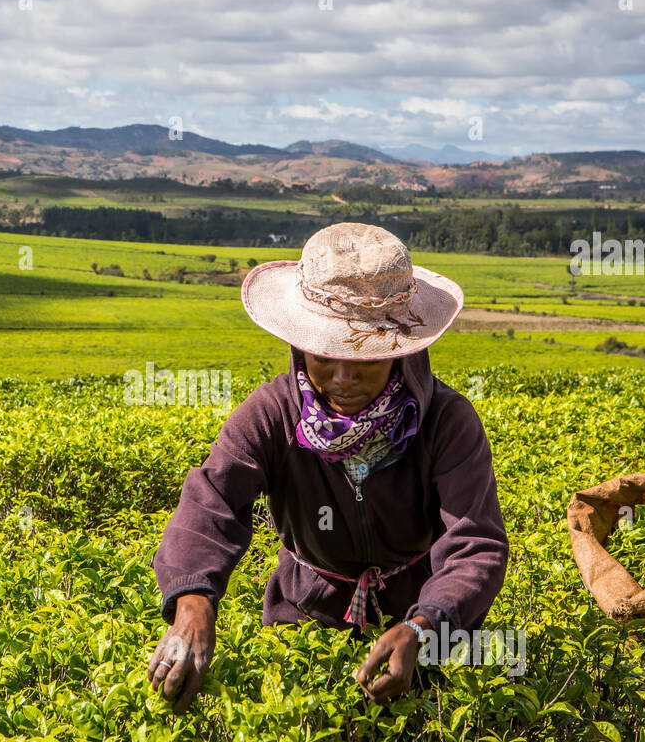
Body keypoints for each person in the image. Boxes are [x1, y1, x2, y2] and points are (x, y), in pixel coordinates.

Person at [148, 222, 509, 713]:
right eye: (324, 355)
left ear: (401, 351)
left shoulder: (447, 422)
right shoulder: (272, 412)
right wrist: (193, 602)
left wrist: (424, 628)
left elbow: (475, 544)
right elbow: (212, 501)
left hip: (420, 625)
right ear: (301, 346)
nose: (341, 378)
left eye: (364, 358)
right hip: (303, 621)